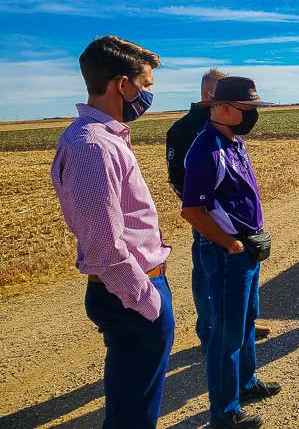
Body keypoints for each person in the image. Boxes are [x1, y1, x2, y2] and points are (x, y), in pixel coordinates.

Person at [50, 35, 173, 428]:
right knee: (132, 414)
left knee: (137, 401)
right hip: (130, 295)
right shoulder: (94, 146)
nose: (148, 95)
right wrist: (145, 300)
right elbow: (103, 243)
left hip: (132, 291)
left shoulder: (102, 138)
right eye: (146, 85)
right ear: (123, 84)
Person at [181, 76, 280, 429]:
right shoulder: (205, 149)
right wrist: (230, 243)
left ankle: (246, 383)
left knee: (247, 321)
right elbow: (192, 210)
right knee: (227, 333)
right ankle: (225, 412)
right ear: (221, 109)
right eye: (247, 110)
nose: (253, 116)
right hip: (227, 254)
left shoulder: (233, 142)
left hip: (247, 250)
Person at [166, 69, 270, 353]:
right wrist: (216, 224)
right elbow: (182, 184)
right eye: (245, 108)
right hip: (212, 224)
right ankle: (211, 330)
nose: (251, 115)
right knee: (205, 274)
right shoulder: (189, 132)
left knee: (239, 308)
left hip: (237, 230)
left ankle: (237, 332)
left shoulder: (233, 135)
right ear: (213, 98)